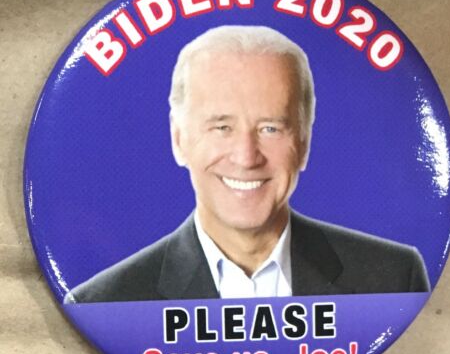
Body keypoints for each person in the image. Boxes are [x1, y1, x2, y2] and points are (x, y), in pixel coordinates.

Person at [64, 25, 430, 303]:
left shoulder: (395, 281)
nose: (246, 156)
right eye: (221, 127)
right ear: (178, 139)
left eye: (271, 128)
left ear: (304, 141)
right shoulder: (105, 304)